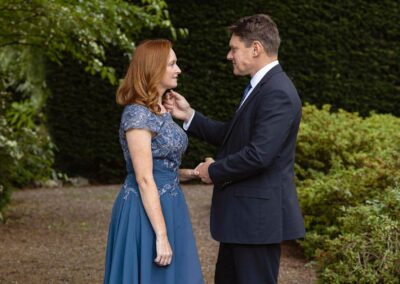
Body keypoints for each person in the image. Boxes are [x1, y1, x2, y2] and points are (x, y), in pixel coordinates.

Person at [164, 14, 305, 284]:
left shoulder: (277, 92)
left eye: (233, 48)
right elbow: (235, 137)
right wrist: (189, 115)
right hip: (243, 220)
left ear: (255, 48)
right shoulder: (260, 87)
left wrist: (213, 170)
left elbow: (258, 155)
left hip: (256, 221)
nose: (229, 55)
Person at [103, 39, 204, 284]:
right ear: (154, 69)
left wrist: (191, 173)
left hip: (170, 205)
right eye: (172, 64)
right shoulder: (137, 113)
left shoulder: (160, 109)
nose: (178, 69)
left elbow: (161, 166)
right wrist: (161, 234)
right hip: (143, 211)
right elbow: (144, 177)